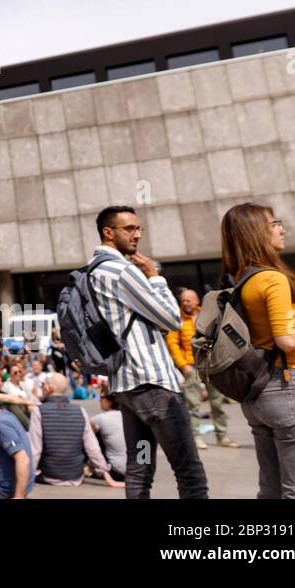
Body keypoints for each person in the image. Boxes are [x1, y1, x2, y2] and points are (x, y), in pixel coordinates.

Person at [221, 203, 295, 499]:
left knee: (272, 491)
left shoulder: (241, 280)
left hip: (258, 393)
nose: (281, 228)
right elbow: (286, 341)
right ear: (255, 231)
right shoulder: (272, 278)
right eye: (274, 223)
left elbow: (269, 332)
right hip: (290, 387)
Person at [89, 206, 208, 499]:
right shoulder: (121, 270)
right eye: (129, 229)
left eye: (138, 228)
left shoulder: (92, 270)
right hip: (155, 388)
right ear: (108, 232)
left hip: (128, 391)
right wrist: (155, 277)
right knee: (189, 469)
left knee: (140, 467)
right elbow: (171, 318)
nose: (137, 235)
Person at [167, 288, 237, 450]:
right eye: (183, 300)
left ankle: (222, 436)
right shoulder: (177, 318)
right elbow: (172, 343)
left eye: (189, 300)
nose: (186, 303)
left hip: (211, 364)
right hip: (191, 366)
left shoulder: (208, 314)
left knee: (217, 403)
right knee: (193, 405)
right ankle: (196, 437)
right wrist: (183, 365)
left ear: (197, 301)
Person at [28, 374, 123, 488]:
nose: (42, 387)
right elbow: (92, 447)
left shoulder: (39, 411)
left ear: (49, 388)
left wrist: (27, 478)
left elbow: (35, 450)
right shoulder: (80, 411)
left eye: (44, 384)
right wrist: (108, 477)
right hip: (76, 477)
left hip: (49, 476)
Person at [91, 393, 128, 481]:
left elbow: (84, 432)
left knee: (91, 435)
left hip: (116, 472)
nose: (99, 400)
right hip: (137, 472)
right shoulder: (129, 417)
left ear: (109, 401)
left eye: (101, 398)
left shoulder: (102, 418)